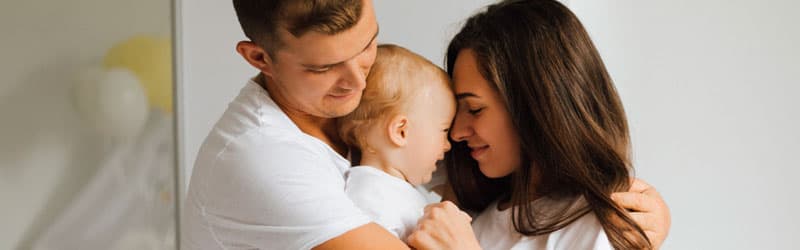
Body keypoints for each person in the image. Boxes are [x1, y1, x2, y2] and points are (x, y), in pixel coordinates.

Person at [182, 0, 669, 249]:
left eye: (368, 44)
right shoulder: (263, 160)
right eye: (323, 68)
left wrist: (644, 218)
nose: (358, 82)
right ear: (259, 57)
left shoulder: (404, 138)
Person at [407, 0, 670, 249]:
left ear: (536, 105)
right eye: (456, 110)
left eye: (475, 109)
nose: (457, 132)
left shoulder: (600, 224)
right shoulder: (472, 210)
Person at [338, 44, 454, 241]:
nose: (447, 145)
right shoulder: (371, 198)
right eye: (444, 131)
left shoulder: (390, 190)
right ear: (401, 131)